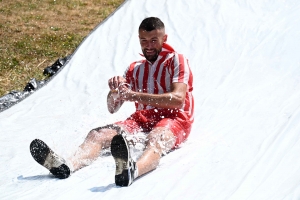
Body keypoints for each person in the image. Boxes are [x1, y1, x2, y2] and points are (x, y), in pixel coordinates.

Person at [30, 17, 194, 187]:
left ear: (164, 39)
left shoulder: (176, 60)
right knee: (97, 134)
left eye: (154, 40)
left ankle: (133, 170)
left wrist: (134, 96)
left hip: (174, 118)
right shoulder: (134, 68)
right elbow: (112, 107)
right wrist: (115, 92)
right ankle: (67, 166)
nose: (149, 46)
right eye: (144, 41)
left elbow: (177, 100)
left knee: (156, 137)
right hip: (142, 118)